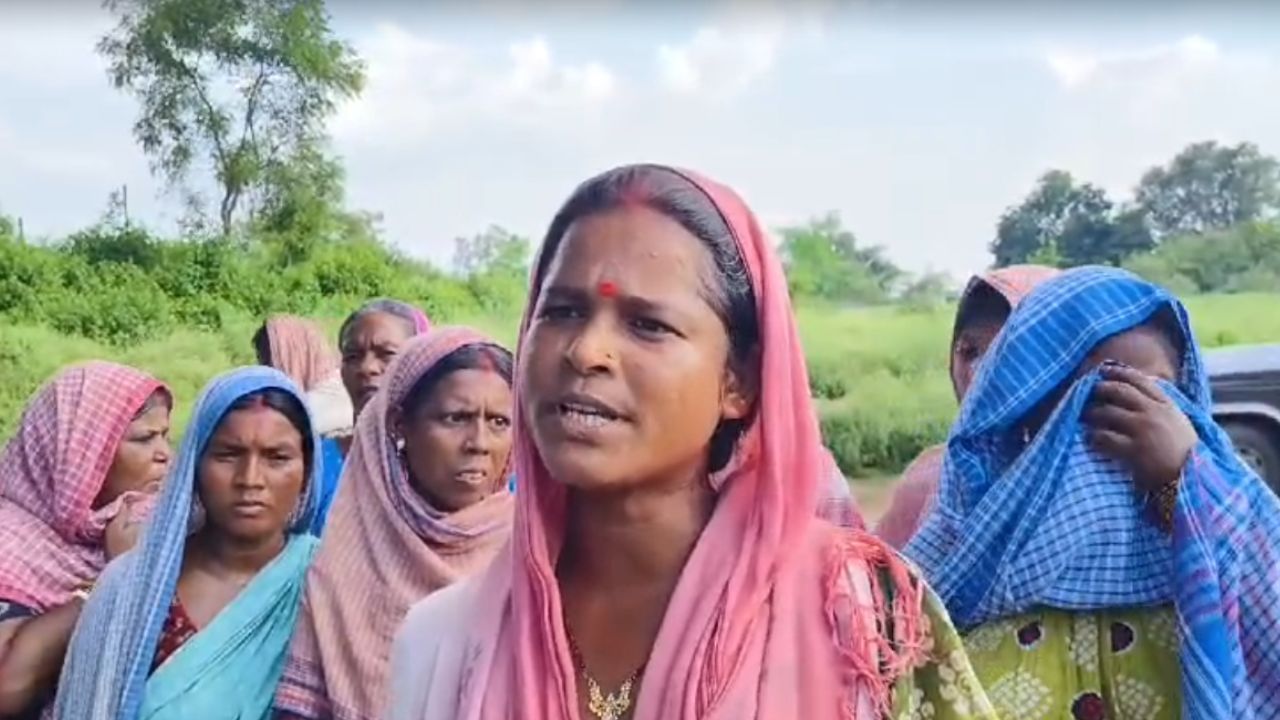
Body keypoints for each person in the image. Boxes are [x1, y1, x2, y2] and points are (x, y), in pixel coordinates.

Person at [385, 164, 998, 720]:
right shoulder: (444, 643)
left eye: (647, 325)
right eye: (562, 312)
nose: (585, 351)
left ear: (739, 382)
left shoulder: (862, 614)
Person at [906, 266, 1280, 719]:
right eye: (1079, 397)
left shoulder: (1226, 507)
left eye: (1149, 392)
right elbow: (903, 638)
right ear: (1023, 409)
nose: (1126, 417)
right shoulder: (973, 528)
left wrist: (1181, 477)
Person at [52, 367, 323, 720]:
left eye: (277, 458)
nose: (250, 480)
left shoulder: (326, 585)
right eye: (228, 455)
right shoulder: (130, 587)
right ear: (193, 466)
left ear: (307, 472)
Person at [276, 328, 516, 720]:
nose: (479, 442)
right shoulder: (343, 562)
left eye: (500, 422)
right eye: (457, 418)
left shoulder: (531, 553)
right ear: (400, 425)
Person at [0, 362, 170, 718]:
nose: (164, 454)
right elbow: (7, 688)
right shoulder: (9, 541)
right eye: (143, 438)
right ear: (79, 452)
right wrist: (111, 580)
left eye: (165, 435)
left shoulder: (140, 528)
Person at [876, 265, 1058, 548]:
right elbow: (883, 583)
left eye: (1006, 352)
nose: (977, 374)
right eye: (969, 352)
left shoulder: (1117, 488)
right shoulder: (928, 480)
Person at [255, 315, 350, 533]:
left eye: (270, 361)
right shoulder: (346, 388)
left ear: (292, 357)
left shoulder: (307, 410)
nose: (268, 372)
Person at [336, 298, 431, 425]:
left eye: (388, 354)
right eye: (352, 356)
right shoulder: (314, 444)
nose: (366, 368)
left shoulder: (452, 443)